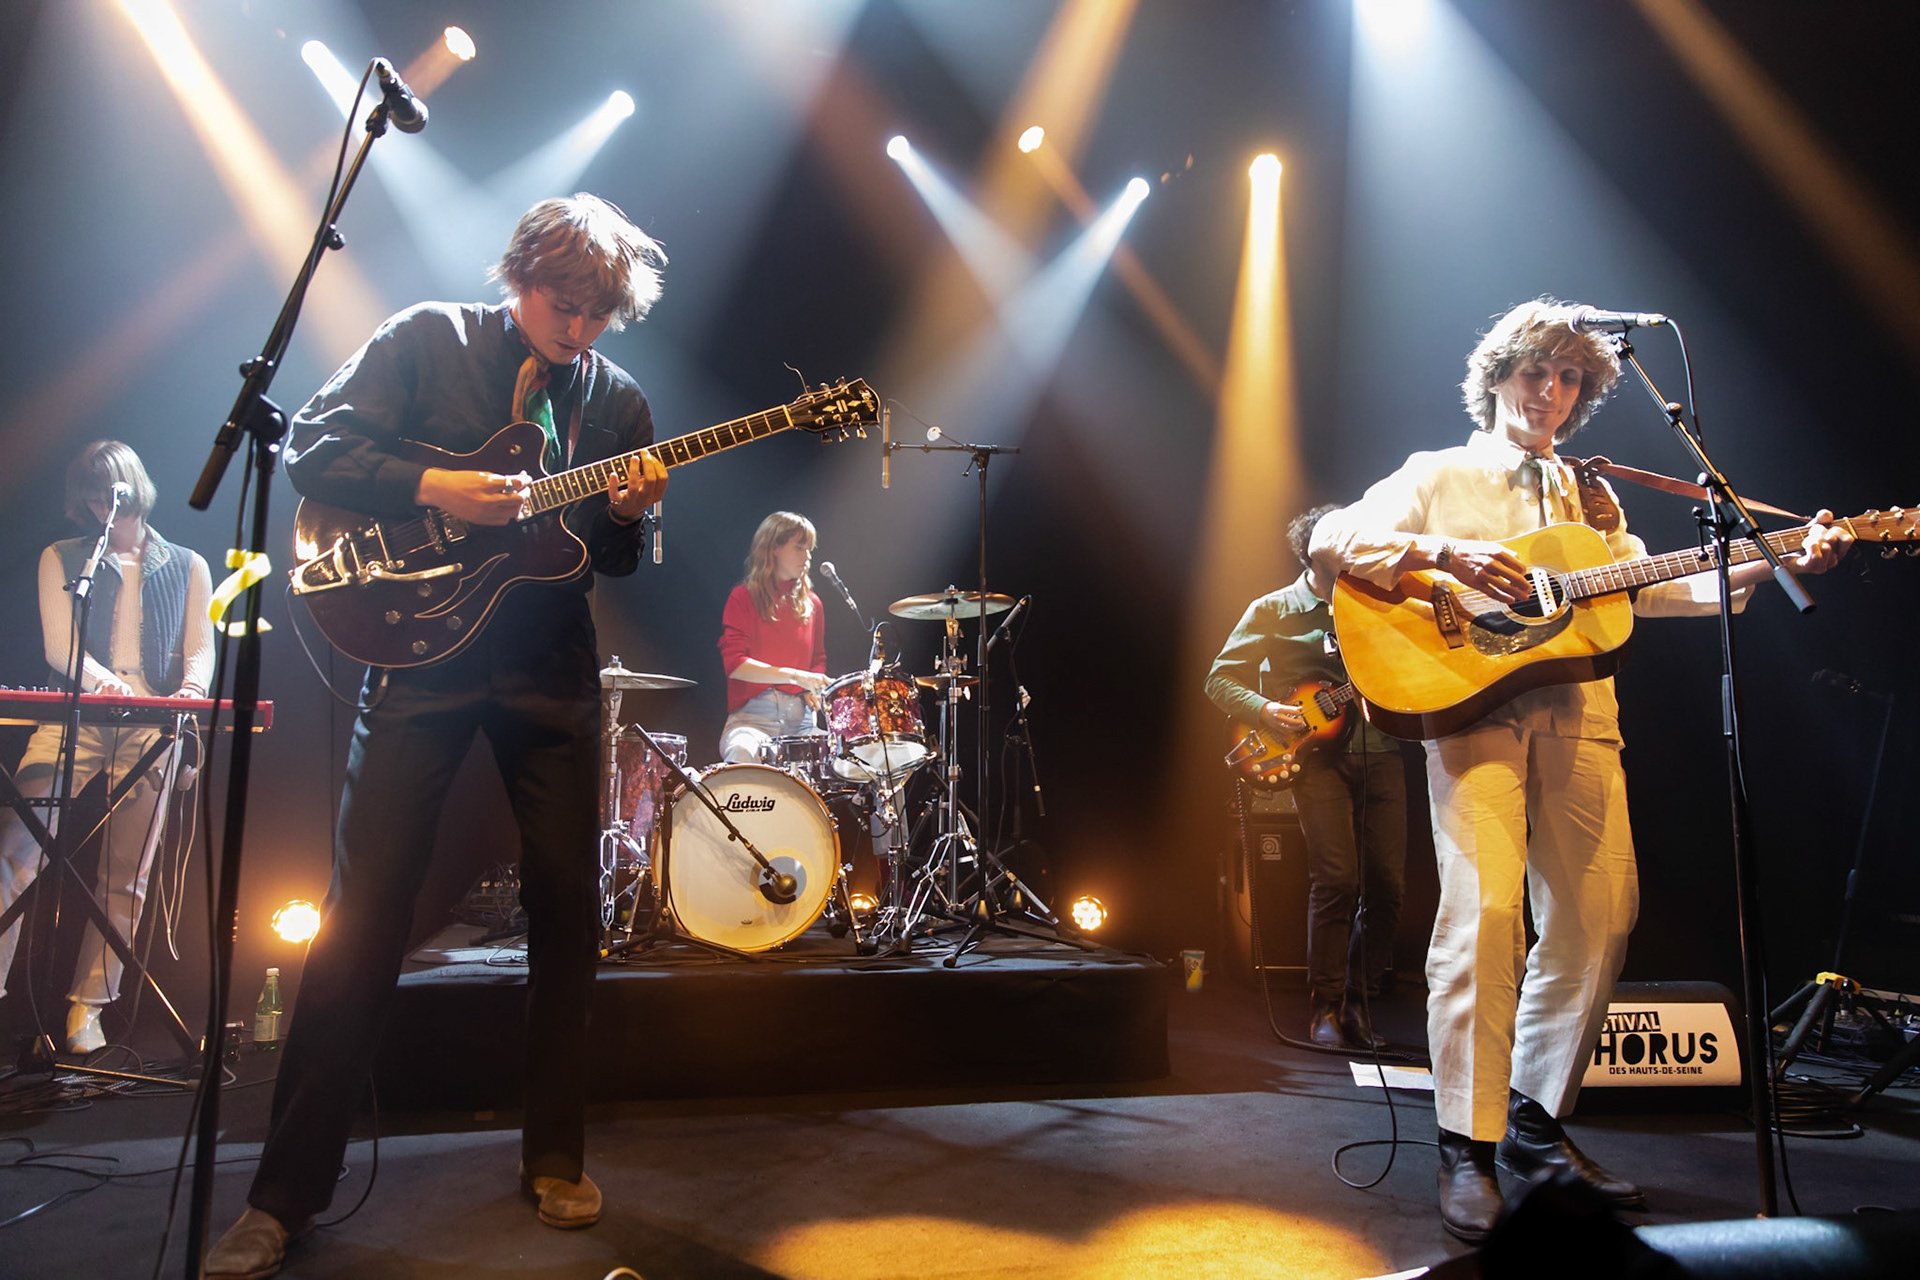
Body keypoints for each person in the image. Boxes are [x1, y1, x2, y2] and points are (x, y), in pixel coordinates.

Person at [1308, 298, 1852, 1242]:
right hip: (1466, 707)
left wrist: (1778, 560)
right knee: (1484, 914)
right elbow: (1331, 543)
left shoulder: (1591, 497)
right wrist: (1447, 556)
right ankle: (1464, 1148)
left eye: (1567, 380)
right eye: (1534, 373)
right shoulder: (1436, 473)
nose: (1549, 394)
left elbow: (1666, 588)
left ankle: (1533, 1123)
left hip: (1581, 713)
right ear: (1497, 377)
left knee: (1602, 916)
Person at [207, 193, 670, 1278]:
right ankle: (282, 1194)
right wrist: (432, 484)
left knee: (568, 907)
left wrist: (628, 514)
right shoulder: (424, 338)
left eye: (599, 313)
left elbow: (617, 566)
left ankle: (556, 1152)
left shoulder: (621, 402)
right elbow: (315, 442)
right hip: (418, 660)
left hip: (551, 675)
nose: (579, 329)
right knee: (363, 912)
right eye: (565, 303)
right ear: (522, 274)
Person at [0, 442, 213, 1054]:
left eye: (112, 493)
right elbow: (59, 646)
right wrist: (100, 682)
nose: (102, 505)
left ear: (134, 490)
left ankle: (86, 1012)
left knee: (127, 874)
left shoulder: (187, 563)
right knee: (16, 851)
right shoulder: (63, 557)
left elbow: (200, 645)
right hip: (77, 719)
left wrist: (190, 694)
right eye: (92, 494)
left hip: (153, 722)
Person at [1206, 504, 1407, 1052]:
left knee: (1388, 887)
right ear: (1314, 549)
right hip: (1314, 760)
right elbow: (1219, 679)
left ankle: (1360, 1005)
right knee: (1337, 879)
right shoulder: (1274, 609)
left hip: (1383, 750)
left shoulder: (1380, 602)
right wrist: (1267, 711)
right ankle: (1324, 1005)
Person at [716, 511, 829, 763]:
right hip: (753, 720)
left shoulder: (813, 603)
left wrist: (814, 687)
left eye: (809, 549)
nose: (807, 557)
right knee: (742, 751)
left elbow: (818, 658)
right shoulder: (742, 597)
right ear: (773, 549)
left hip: (802, 721)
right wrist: (797, 676)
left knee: (853, 760)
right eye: (799, 548)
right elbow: (735, 665)